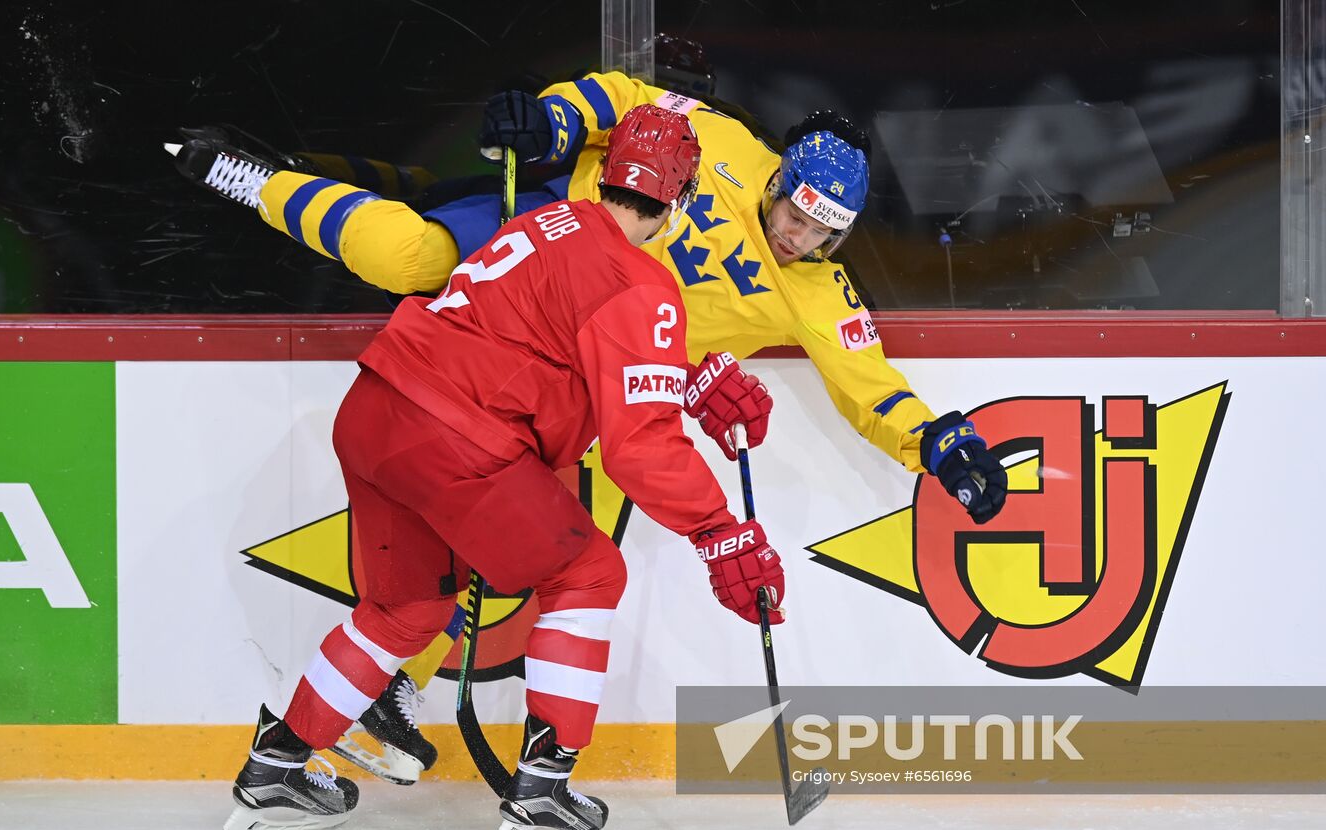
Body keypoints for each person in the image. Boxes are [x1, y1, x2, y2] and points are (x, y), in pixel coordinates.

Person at [171, 70, 1008, 788]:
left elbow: (873, 388)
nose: (801, 238)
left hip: (576, 376)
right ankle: (262, 180)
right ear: (778, 181)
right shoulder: (724, 143)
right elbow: (628, 97)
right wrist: (555, 120)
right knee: (412, 255)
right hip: (555, 240)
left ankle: (387, 687)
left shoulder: (819, 293)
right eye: (797, 215)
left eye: (825, 231)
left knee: (514, 524)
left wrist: (944, 445)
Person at [171, 104, 786, 830]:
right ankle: (544, 793)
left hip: (376, 411)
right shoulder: (643, 285)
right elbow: (640, 448)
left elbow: (548, 330)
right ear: (680, 199)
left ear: (606, 172)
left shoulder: (545, 223)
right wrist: (720, 533)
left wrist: (683, 377)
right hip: (455, 437)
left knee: (404, 609)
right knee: (590, 573)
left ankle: (276, 770)